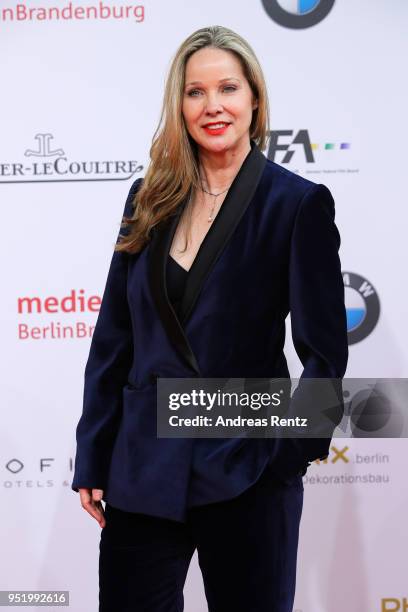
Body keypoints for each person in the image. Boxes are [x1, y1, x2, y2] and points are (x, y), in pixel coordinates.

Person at [72, 25, 348, 612]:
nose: (213, 105)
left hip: (248, 468)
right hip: (144, 468)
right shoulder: (147, 198)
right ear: (179, 105)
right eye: (195, 92)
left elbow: (325, 352)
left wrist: (288, 456)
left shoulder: (296, 203)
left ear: (254, 98)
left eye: (227, 88)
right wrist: (95, 455)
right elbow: (113, 338)